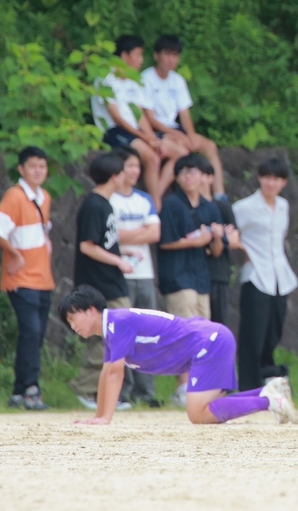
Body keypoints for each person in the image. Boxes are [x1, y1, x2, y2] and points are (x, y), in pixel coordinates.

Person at [58, 285, 297, 425]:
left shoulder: (117, 322)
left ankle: (269, 401)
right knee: (205, 409)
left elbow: (114, 374)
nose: (72, 325)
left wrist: (105, 420)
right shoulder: (112, 329)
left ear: (91, 311)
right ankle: (268, 391)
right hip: (210, 340)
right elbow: (106, 373)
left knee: (198, 413)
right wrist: (99, 417)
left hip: (209, 342)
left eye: (72, 317)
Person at [68, 152, 135, 410]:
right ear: (114, 176)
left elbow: (103, 243)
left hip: (108, 280)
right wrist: (118, 262)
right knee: (117, 335)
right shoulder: (95, 205)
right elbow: (87, 246)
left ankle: (101, 393)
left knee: (112, 337)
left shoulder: (105, 204)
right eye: (124, 171)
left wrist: (122, 253)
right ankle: (86, 387)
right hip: (101, 284)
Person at [158, 154, 225, 406]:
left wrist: (217, 238)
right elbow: (165, 241)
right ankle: (181, 387)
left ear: (203, 176)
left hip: (200, 277)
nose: (188, 176)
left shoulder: (210, 208)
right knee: (183, 332)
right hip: (177, 276)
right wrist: (196, 241)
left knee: (202, 333)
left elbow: (216, 251)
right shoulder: (172, 203)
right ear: (176, 177)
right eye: (183, 172)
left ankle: (199, 386)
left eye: (193, 171)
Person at [92, 35, 188, 207]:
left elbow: (140, 116)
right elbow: (118, 118)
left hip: (135, 131)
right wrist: (146, 139)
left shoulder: (133, 81)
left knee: (180, 152)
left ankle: (155, 197)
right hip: (115, 131)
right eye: (138, 55)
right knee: (152, 158)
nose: (141, 60)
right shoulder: (105, 80)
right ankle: (156, 206)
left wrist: (154, 139)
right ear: (124, 56)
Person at [0, 146, 55, 410]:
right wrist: (14, 254)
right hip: (21, 279)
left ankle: (20, 391)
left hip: (43, 278)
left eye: (42, 166)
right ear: (21, 169)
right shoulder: (15, 196)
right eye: (33, 166)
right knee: (31, 333)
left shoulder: (44, 197)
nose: (38, 170)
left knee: (36, 336)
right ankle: (31, 389)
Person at [232, 158, 298, 391]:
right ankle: (248, 387)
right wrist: (243, 250)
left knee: (274, 331)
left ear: (284, 182)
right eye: (267, 177)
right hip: (256, 276)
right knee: (253, 334)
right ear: (260, 178)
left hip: (280, 277)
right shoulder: (244, 207)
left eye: (277, 178)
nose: (271, 183)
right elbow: (231, 234)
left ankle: (268, 379)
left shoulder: (283, 206)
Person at [109, 146, 162, 407]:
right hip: (121, 274)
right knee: (123, 335)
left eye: (137, 166)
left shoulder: (144, 199)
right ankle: (122, 391)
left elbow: (155, 234)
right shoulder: (109, 200)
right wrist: (141, 232)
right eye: (129, 166)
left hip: (145, 274)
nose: (134, 171)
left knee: (148, 333)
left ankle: (146, 391)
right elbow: (110, 236)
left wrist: (127, 234)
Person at [141, 35, 225, 197]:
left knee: (209, 146)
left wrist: (191, 135)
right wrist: (178, 134)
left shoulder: (178, 80)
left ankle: (220, 195)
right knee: (183, 150)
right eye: (167, 54)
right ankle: (158, 197)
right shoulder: (147, 79)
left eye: (175, 55)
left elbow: (184, 114)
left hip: (174, 127)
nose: (171, 60)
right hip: (156, 129)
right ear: (156, 56)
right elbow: (150, 118)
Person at [198, 159, 237, 325]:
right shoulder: (187, 207)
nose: (197, 179)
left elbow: (234, 239)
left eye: (202, 174)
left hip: (218, 273)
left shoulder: (222, 207)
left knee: (218, 325)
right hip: (196, 274)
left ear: (211, 178)